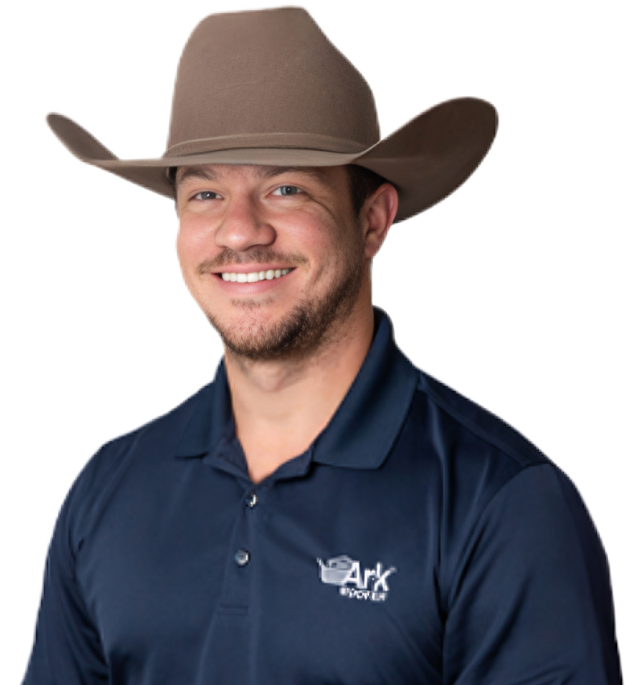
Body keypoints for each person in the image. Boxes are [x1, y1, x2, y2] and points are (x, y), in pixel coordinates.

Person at [27, 5, 623, 684]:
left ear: (373, 220)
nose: (240, 231)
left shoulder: (504, 504)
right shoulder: (108, 490)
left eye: (286, 188)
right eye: (205, 194)